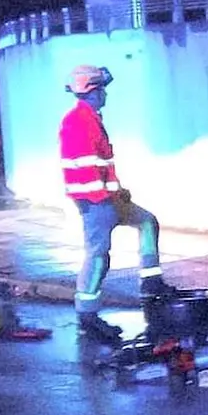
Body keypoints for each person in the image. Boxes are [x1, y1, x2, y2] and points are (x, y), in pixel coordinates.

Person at [59, 65, 175, 343]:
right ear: (92, 91)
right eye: (102, 90)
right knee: (98, 256)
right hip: (96, 203)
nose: (106, 95)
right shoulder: (78, 121)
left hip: (107, 199)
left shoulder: (89, 118)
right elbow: (86, 168)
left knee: (147, 221)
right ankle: (87, 315)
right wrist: (106, 199)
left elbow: (101, 165)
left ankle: (151, 282)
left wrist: (118, 193)